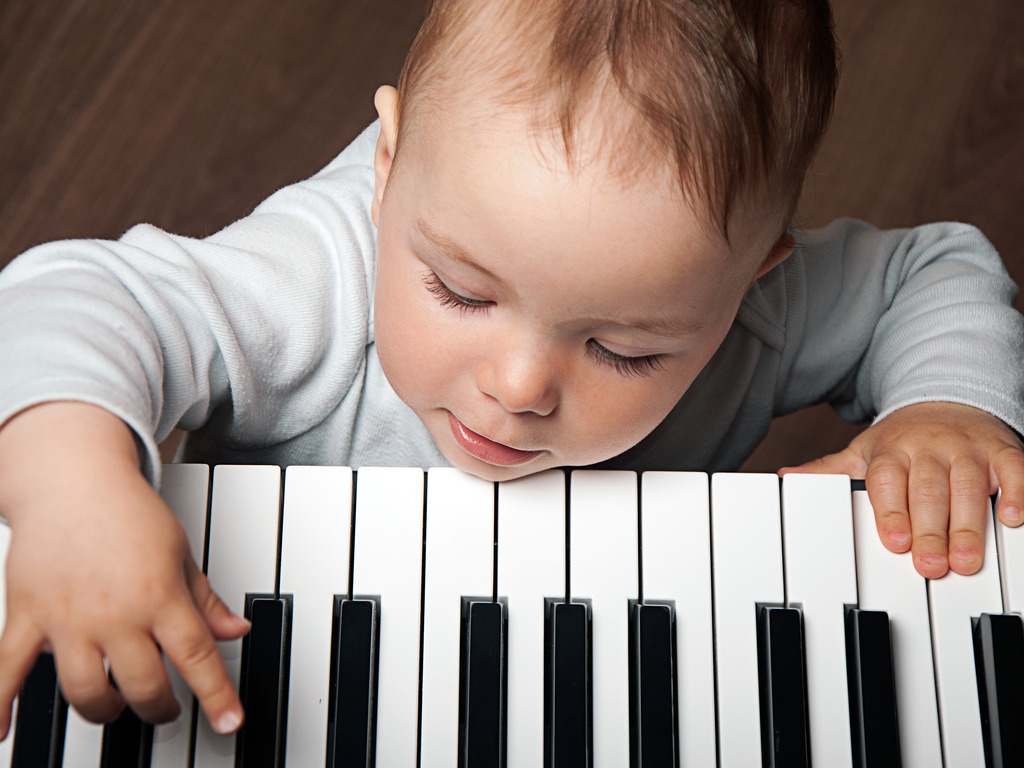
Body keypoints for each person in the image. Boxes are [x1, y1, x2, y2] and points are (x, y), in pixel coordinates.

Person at [1, 0, 1022, 741]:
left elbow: (933, 271)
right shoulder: (321, 277)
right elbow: (73, 298)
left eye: (623, 350)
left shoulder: (745, 304)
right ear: (389, 168)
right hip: (274, 643)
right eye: (459, 291)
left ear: (750, 277)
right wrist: (74, 492)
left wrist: (945, 407)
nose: (522, 384)